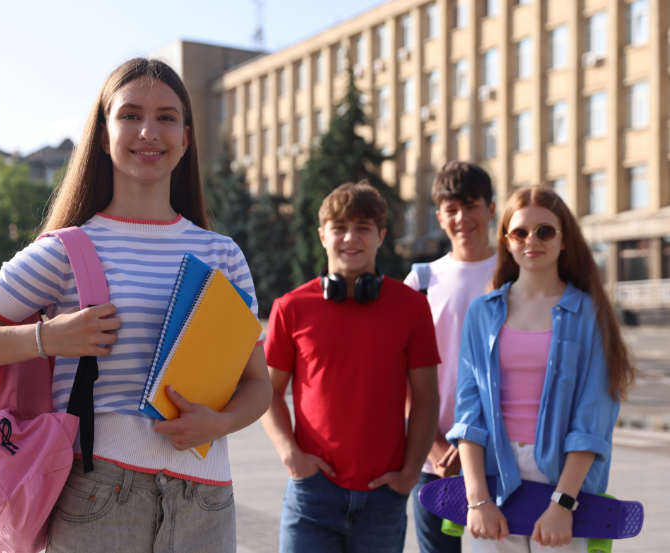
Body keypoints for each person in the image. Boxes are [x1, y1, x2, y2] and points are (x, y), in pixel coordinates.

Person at [0, 58, 272, 553]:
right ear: (104, 137)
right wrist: (46, 339)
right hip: (100, 496)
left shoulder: (222, 255)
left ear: (186, 139)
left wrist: (220, 423)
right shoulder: (67, 250)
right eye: (130, 115)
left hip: (207, 503)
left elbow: (258, 385)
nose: (149, 130)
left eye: (167, 117)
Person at [447, 185, 637, 552]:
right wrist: (478, 499)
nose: (531, 240)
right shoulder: (482, 312)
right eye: (519, 232)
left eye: (545, 230)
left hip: (564, 477)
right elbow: (468, 413)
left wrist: (563, 503)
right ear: (506, 240)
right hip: (492, 474)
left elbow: (592, 419)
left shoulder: (590, 314)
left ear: (564, 240)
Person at [261, 181, 441, 553]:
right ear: (322, 235)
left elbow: (425, 396)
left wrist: (410, 474)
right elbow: (269, 392)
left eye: (363, 227)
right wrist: (290, 456)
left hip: (383, 496)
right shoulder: (290, 307)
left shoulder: (411, 307)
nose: (350, 237)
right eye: (339, 227)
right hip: (312, 494)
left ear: (381, 236)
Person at [403, 161, 496, 553]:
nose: (462, 217)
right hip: (436, 461)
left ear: (491, 209)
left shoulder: (517, 274)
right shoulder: (421, 283)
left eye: (471, 205)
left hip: (505, 459)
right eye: (451, 209)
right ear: (439, 216)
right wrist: (434, 446)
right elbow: (399, 376)